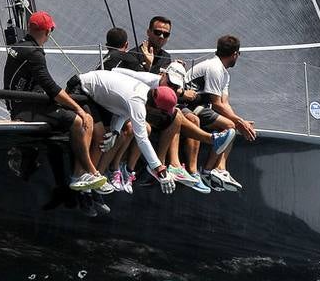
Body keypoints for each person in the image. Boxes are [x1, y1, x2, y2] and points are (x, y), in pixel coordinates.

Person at [3, 11, 107, 192]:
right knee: (78, 121)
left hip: (20, 104)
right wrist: (78, 109)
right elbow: (51, 87)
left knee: (76, 114)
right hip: (24, 108)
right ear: (48, 31)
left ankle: (84, 173)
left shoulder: (22, 46)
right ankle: (84, 173)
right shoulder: (34, 53)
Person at [75, 69, 182, 195]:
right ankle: (81, 178)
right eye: (162, 112)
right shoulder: (137, 103)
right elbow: (142, 139)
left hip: (94, 94)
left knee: (110, 137)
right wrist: (159, 169)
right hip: (80, 89)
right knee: (100, 135)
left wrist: (115, 132)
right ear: (157, 107)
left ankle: (92, 182)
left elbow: (123, 112)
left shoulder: (145, 91)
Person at [184, 34, 257, 191]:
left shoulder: (225, 73)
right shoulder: (214, 68)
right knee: (231, 124)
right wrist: (239, 122)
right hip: (188, 106)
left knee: (232, 125)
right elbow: (217, 104)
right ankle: (209, 170)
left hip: (202, 107)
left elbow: (225, 104)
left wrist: (241, 121)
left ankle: (219, 170)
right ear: (235, 54)